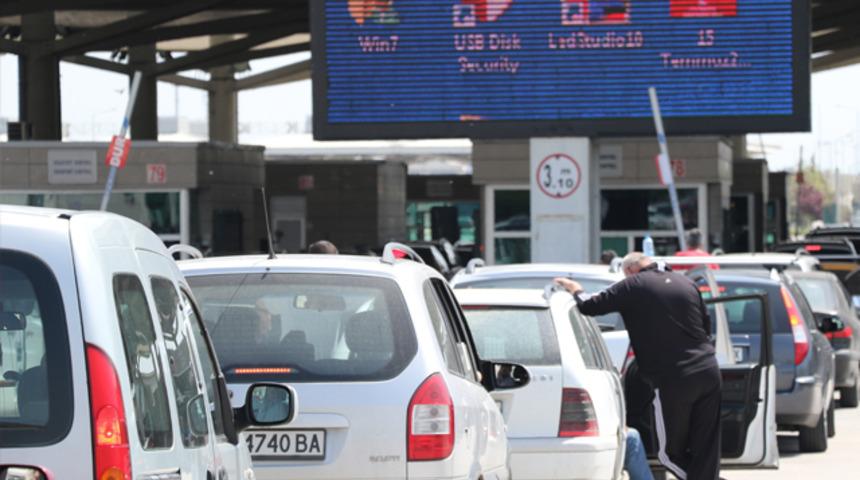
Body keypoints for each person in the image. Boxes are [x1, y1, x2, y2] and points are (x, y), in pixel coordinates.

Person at [555, 252, 721, 480]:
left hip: (673, 379)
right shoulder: (687, 283)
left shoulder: (634, 285)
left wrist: (575, 289)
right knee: (706, 448)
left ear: (630, 270)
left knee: (668, 455)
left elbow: (589, 306)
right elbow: (706, 326)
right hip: (709, 370)